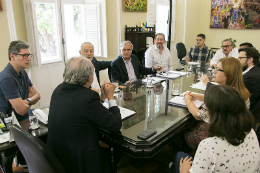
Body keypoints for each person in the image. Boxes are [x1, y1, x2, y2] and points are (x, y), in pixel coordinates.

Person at [47, 56, 122, 173]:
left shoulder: (58, 90)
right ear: (89, 78)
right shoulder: (88, 97)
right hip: (80, 161)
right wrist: (110, 97)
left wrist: (101, 98)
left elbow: (83, 111)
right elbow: (115, 124)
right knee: (117, 151)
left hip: (58, 156)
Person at [169, 85, 260, 173]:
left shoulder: (208, 146)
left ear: (215, 116)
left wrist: (184, 170)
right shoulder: (250, 132)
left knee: (179, 156)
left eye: (206, 108)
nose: (204, 108)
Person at [184, 57, 250, 151]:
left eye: (218, 70)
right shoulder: (240, 92)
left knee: (187, 134)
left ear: (229, 74)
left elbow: (198, 115)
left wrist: (188, 100)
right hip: (235, 133)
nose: (214, 72)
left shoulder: (225, 97)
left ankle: (199, 157)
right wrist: (200, 97)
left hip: (220, 137)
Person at [0, 40, 40, 122]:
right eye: (24, 55)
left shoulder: (22, 72)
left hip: (25, 114)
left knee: (51, 117)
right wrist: (31, 100)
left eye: (29, 55)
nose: (28, 59)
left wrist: (26, 101)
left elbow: (37, 95)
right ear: (12, 56)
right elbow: (21, 111)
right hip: (12, 122)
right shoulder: (7, 78)